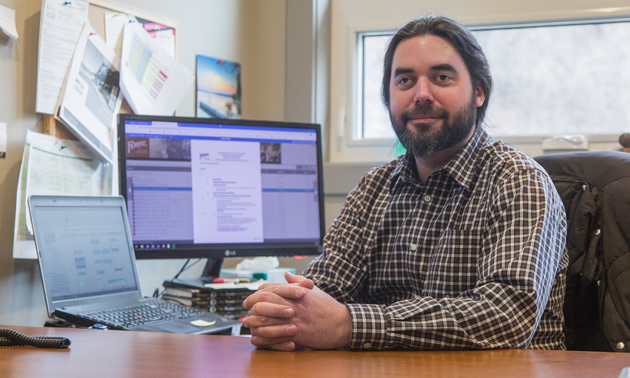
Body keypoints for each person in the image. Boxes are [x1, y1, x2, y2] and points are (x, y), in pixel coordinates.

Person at [243, 15, 568, 352]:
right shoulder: (374, 188)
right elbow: (324, 289)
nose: (421, 94)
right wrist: (285, 312)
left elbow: (508, 315)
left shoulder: (519, 181)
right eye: (405, 81)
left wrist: (349, 324)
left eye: (442, 77)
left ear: (479, 92)